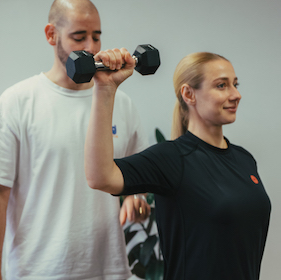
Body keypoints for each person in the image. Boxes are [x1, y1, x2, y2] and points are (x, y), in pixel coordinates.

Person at [0, 0, 151, 280]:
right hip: (38, 271)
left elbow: (139, 175)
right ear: (52, 35)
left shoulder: (121, 104)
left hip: (109, 270)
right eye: (79, 37)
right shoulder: (17, 102)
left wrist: (137, 196)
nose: (91, 47)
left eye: (96, 37)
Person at [84, 50, 271, 280]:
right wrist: (105, 89)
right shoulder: (172, 158)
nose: (236, 94)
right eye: (222, 86)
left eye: (235, 84)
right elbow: (100, 176)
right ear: (189, 94)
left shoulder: (244, 160)